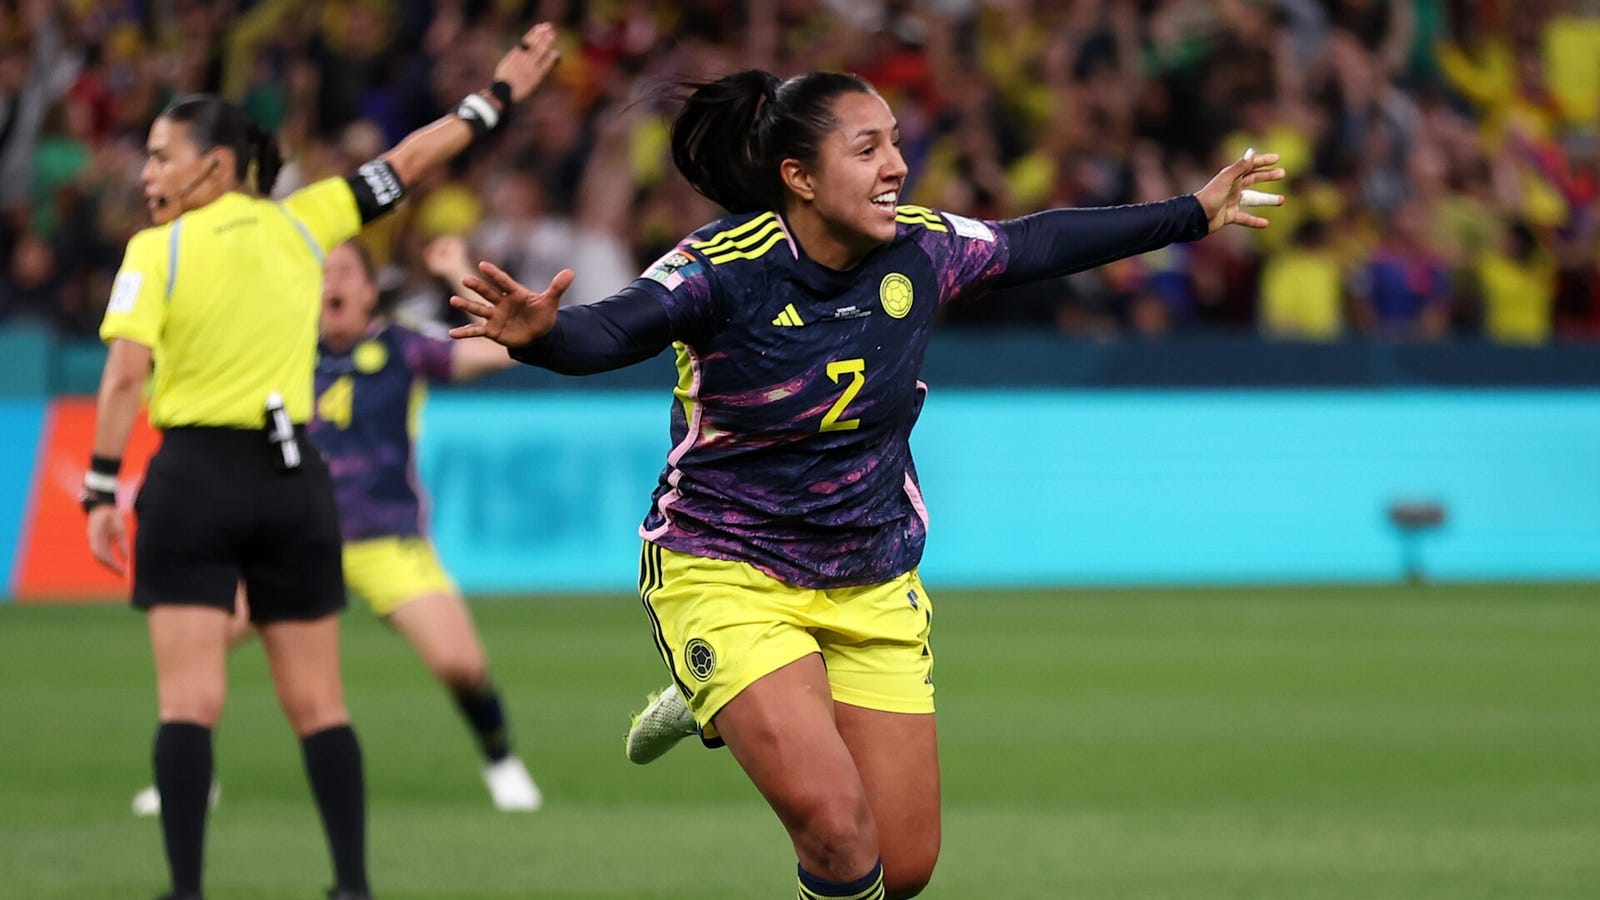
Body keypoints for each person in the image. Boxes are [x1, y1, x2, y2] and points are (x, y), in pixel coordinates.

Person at [448, 69, 1285, 899]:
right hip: (728, 568)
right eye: (867, 148)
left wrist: (1194, 213)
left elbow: (1036, 242)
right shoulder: (722, 267)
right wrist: (544, 338)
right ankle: (730, 675)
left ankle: (715, 695)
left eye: (894, 143)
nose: (897, 165)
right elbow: (610, 330)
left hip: (869, 575)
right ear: (799, 177)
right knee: (840, 833)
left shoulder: (922, 247)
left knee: (904, 864)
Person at [82, 24, 559, 900]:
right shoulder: (311, 221)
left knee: (188, 701)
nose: (146, 174)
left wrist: (101, 485)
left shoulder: (158, 251)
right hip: (294, 480)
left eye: (160, 156)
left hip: (193, 476)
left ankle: (185, 890)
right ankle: (351, 888)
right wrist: (493, 98)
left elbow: (123, 374)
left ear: (216, 166)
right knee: (321, 706)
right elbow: (414, 160)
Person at [313, 237, 539, 809]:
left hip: (384, 537)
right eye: (320, 273)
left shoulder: (401, 348)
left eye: (343, 272)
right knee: (203, 634)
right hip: (296, 539)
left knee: (461, 664)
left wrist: (457, 272)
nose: (330, 284)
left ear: (369, 289)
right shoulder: (280, 351)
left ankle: (500, 758)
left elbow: (500, 348)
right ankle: (187, 778)